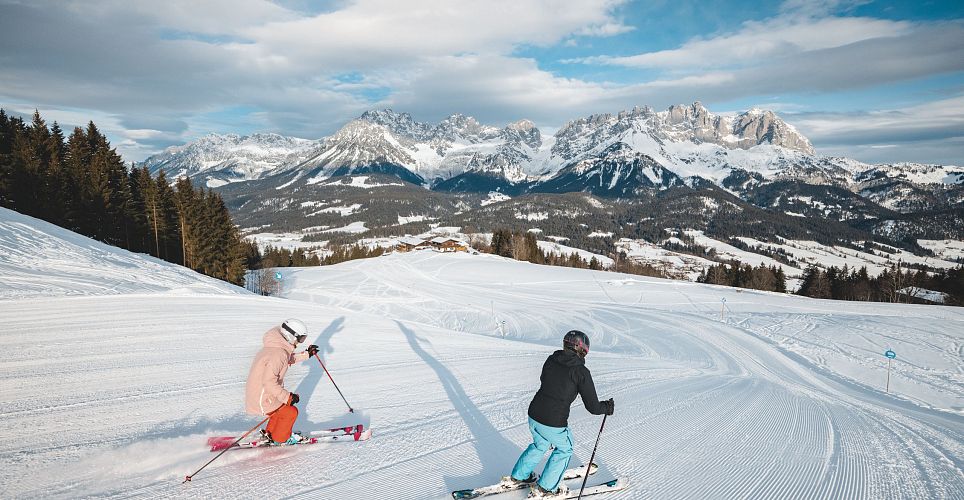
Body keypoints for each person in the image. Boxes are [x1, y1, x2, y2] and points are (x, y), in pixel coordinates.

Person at [506, 330, 614, 498]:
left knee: (540, 445)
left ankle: (519, 475)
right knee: (565, 449)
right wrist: (606, 407)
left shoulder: (551, 359)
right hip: (553, 422)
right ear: (582, 349)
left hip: (534, 414)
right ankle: (546, 488)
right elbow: (592, 407)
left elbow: (545, 380)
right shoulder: (581, 372)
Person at [244, 318, 320, 445]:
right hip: (263, 396)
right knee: (290, 412)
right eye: (300, 339)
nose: (300, 342)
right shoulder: (278, 354)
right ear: (291, 336)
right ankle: (281, 438)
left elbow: (287, 359)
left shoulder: (275, 348)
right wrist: (288, 397)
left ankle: (270, 433)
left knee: (281, 410)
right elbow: (269, 382)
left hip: (259, 393)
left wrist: (307, 354)